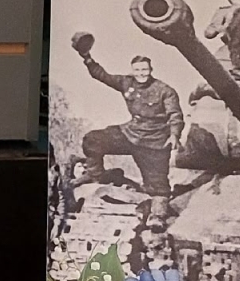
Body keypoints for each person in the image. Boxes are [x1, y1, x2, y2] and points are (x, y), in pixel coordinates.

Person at [71, 32, 185, 213]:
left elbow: (175, 115)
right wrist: (86, 57)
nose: (141, 74)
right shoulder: (127, 82)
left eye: (145, 70)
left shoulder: (165, 90)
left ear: (151, 70)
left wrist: (174, 135)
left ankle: (157, 217)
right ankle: (95, 175)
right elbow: (101, 75)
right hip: (130, 134)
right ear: (133, 71)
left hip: (154, 142)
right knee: (93, 139)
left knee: (158, 188)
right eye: (137, 70)